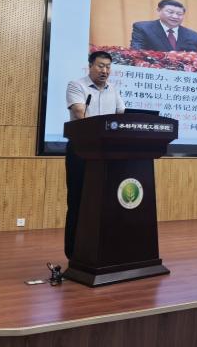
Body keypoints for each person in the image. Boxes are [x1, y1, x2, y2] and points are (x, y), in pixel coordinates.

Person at [64, 51, 125, 259]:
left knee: (106, 201)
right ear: (90, 66)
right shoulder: (77, 85)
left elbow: (122, 115)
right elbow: (79, 112)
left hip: (107, 153)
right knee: (79, 200)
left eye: (108, 66)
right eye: (100, 66)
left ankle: (104, 250)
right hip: (81, 150)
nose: (104, 70)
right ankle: (74, 252)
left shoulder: (113, 90)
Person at [130, 0, 197, 54]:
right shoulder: (143, 28)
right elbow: (136, 52)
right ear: (158, 11)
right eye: (170, 12)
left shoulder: (194, 36)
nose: (175, 16)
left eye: (179, 14)